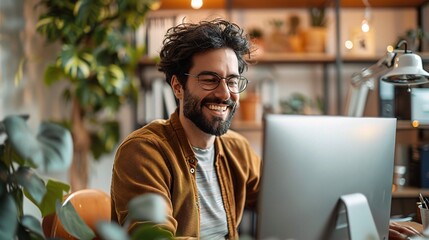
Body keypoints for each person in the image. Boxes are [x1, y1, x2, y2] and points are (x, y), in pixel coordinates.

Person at [110, 18, 421, 240]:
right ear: (177, 86)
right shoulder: (144, 152)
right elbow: (153, 237)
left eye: (232, 80)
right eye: (209, 79)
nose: (225, 93)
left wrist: (368, 224)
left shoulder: (236, 149)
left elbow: (292, 201)